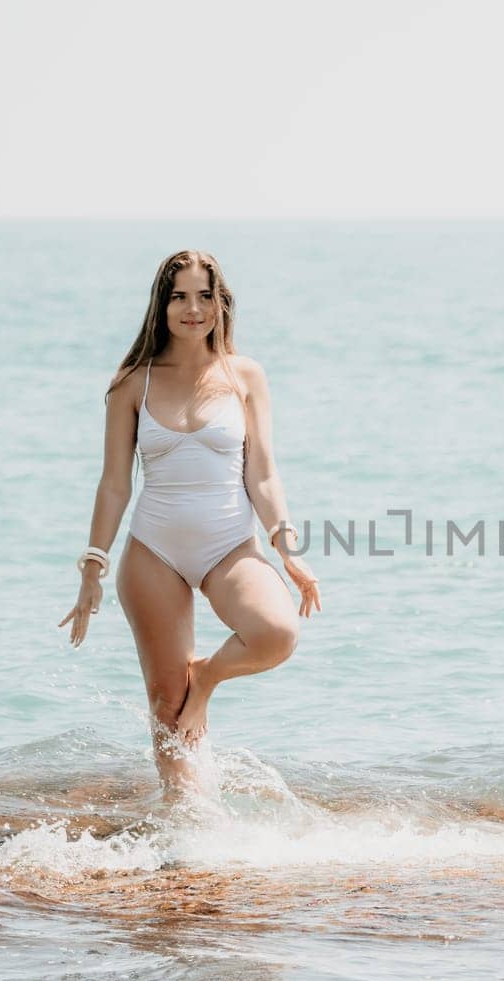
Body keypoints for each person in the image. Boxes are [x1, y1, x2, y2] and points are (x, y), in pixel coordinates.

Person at [57, 249, 322, 797]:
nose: (192, 309)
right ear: (162, 305)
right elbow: (113, 483)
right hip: (154, 550)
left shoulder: (244, 375)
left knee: (275, 633)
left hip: (230, 544)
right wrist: (93, 568)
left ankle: (205, 677)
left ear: (220, 303)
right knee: (165, 704)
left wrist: (287, 550)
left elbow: (264, 474)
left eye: (204, 296)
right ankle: (190, 820)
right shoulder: (133, 382)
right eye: (179, 297)